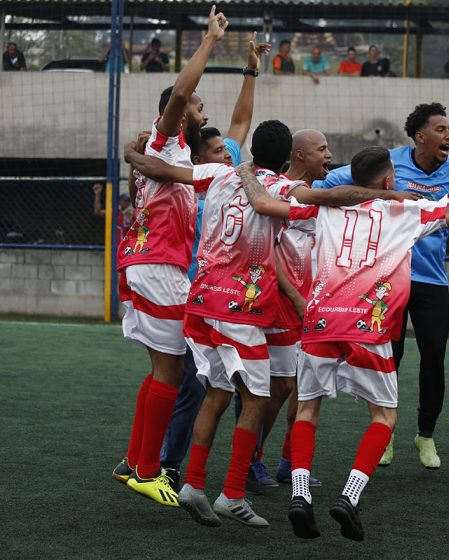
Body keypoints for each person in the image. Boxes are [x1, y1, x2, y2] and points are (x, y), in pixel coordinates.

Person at [241, 146, 449, 541]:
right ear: (389, 182)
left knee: (307, 411)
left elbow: (264, 204)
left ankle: (299, 494)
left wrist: (246, 169)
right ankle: (349, 497)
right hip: (368, 326)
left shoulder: (326, 210)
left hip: (319, 322)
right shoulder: (404, 211)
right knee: (383, 417)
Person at [314, 103, 449, 470]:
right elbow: (326, 186)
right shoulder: (387, 163)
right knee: (391, 357)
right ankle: (384, 431)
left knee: (434, 356)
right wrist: (386, 196)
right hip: (387, 281)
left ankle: (425, 435)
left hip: (430, 281)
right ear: (420, 136)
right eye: (441, 129)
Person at [125, 120, 298, 528]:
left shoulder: (220, 172)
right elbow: (323, 200)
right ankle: (234, 492)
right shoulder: (284, 189)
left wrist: (134, 156)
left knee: (217, 392)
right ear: (291, 159)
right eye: (323, 150)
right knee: (257, 398)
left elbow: (164, 171)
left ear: (251, 151)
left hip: (202, 301)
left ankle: (194, 483)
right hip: (240, 309)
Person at [110, 6, 227, 508]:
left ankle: (134, 463)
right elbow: (179, 93)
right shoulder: (167, 138)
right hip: (156, 266)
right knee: (174, 371)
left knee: (163, 370)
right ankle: (149, 471)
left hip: (155, 265)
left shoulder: (173, 154)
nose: (201, 109)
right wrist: (208, 43)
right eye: (197, 104)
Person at [156, 32, 270, 492]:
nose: (229, 153)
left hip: (235, 298)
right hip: (196, 293)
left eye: (229, 151)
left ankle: (247, 468)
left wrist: (250, 68)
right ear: (200, 161)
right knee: (193, 387)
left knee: (245, 385)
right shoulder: (200, 182)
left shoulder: (232, 168)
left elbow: (241, 120)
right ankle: (169, 464)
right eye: (220, 152)